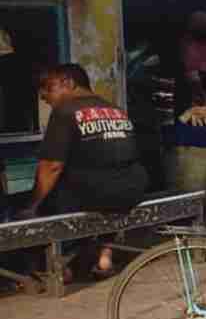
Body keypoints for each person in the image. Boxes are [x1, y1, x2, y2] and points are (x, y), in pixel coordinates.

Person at [18, 64, 148, 279]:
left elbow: (52, 165)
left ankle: (61, 265)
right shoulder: (116, 109)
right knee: (102, 181)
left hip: (98, 192)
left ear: (68, 83)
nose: (43, 96)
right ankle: (104, 257)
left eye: (47, 88)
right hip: (134, 188)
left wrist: (32, 206)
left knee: (48, 196)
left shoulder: (65, 111)